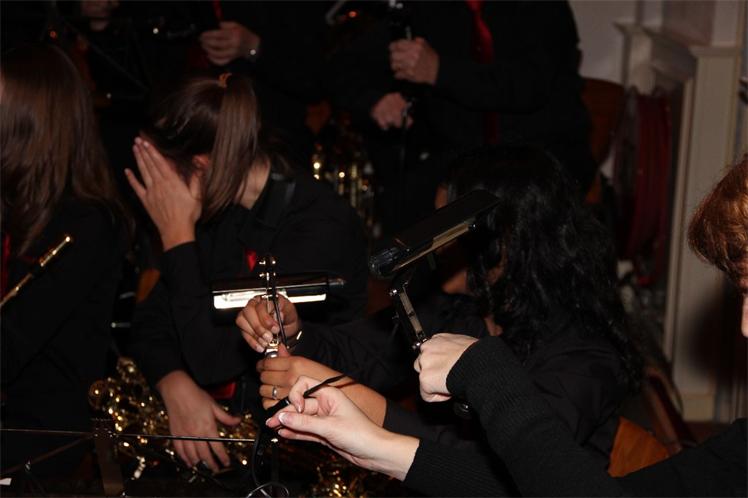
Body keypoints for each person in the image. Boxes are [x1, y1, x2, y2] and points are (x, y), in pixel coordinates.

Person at [268, 157, 748, 496]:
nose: (744, 326)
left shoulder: (584, 354)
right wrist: (375, 443)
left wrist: (474, 376)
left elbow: (537, 468)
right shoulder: (457, 308)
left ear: (507, 241)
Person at [124, 73, 368, 473]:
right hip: (233, 442)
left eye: (162, 179)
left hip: (304, 459)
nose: (159, 196)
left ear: (200, 166)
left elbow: (214, 359)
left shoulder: (317, 225)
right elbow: (151, 321)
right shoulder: (218, 209)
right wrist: (174, 384)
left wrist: (177, 238)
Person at [329, 0, 595, 234]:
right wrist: (374, 101)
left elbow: (529, 85)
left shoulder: (541, 6)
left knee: (519, 218)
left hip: (540, 152)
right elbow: (346, 65)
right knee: (401, 210)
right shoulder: (429, 7)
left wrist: (440, 71)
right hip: (463, 155)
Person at [0, 44, 129, 476]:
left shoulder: (86, 224)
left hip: (37, 446)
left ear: (29, 123)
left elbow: (9, 348)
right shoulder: (14, 205)